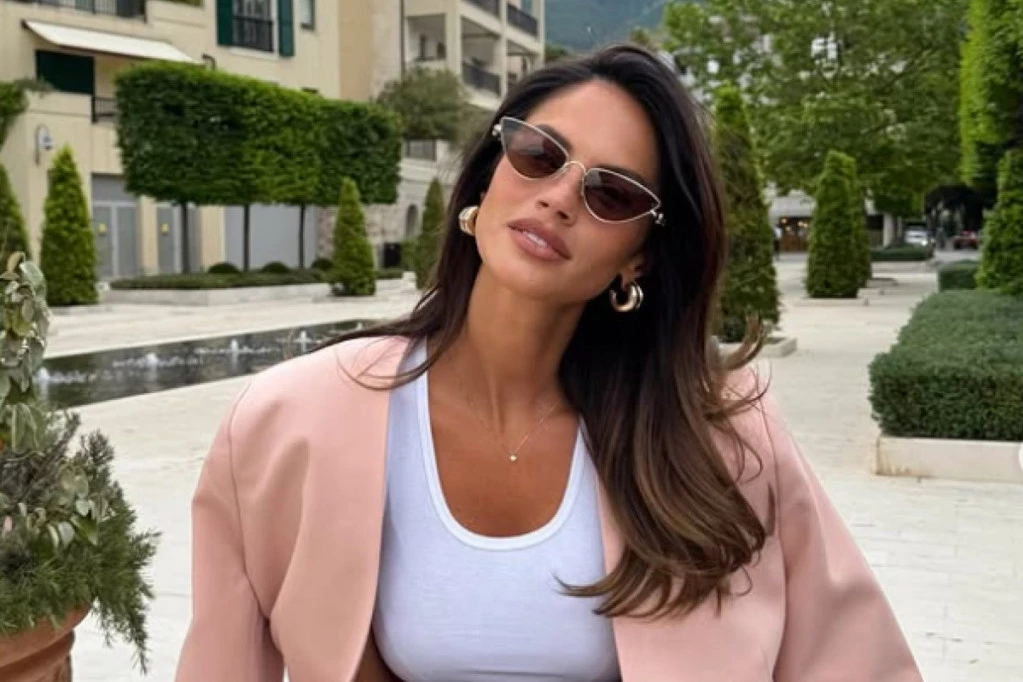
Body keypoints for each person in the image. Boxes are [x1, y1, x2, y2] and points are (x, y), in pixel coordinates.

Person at [175, 45, 922, 682]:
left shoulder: (719, 433)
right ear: (487, 179)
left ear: (638, 258)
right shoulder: (291, 418)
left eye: (612, 193)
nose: (560, 197)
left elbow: (853, 659)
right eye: (539, 155)